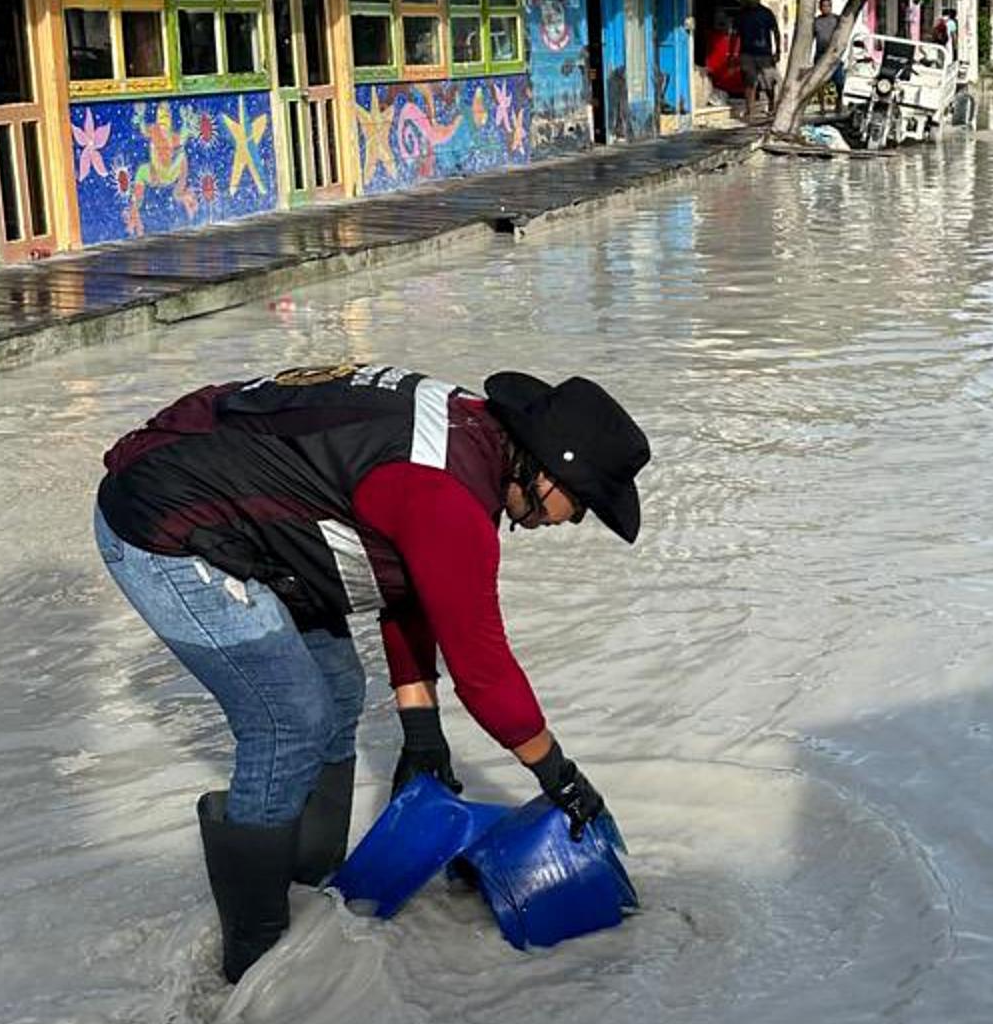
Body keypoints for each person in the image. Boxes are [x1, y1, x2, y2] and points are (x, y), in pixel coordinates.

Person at [93, 364, 650, 983]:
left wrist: (421, 730)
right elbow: (484, 672)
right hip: (165, 525)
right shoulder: (449, 495)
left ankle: (312, 887)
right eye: (581, 506)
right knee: (289, 719)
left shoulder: (470, 437)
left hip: (246, 522)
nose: (569, 523)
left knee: (338, 690)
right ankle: (253, 963)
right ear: (551, 468)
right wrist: (560, 777)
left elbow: (408, 578)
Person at [735, 0, 781, 120]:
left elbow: (776, 31)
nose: (752, 0)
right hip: (747, 53)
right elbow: (735, 34)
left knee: (768, 83)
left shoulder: (766, 13)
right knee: (749, 82)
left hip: (764, 54)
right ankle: (750, 110)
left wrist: (778, 51)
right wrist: (733, 53)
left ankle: (771, 104)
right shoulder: (742, 14)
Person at [811, 0, 846, 100]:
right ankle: (822, 106)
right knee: (819, 83)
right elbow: (812, 37)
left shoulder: (837, 19)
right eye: (823, 6)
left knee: (839, 81)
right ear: (820, 8)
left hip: (833, 55)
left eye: (828, 6)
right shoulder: (816, 21)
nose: (825, 8)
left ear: (831, 7)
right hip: (820, 55)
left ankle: (839, 102)